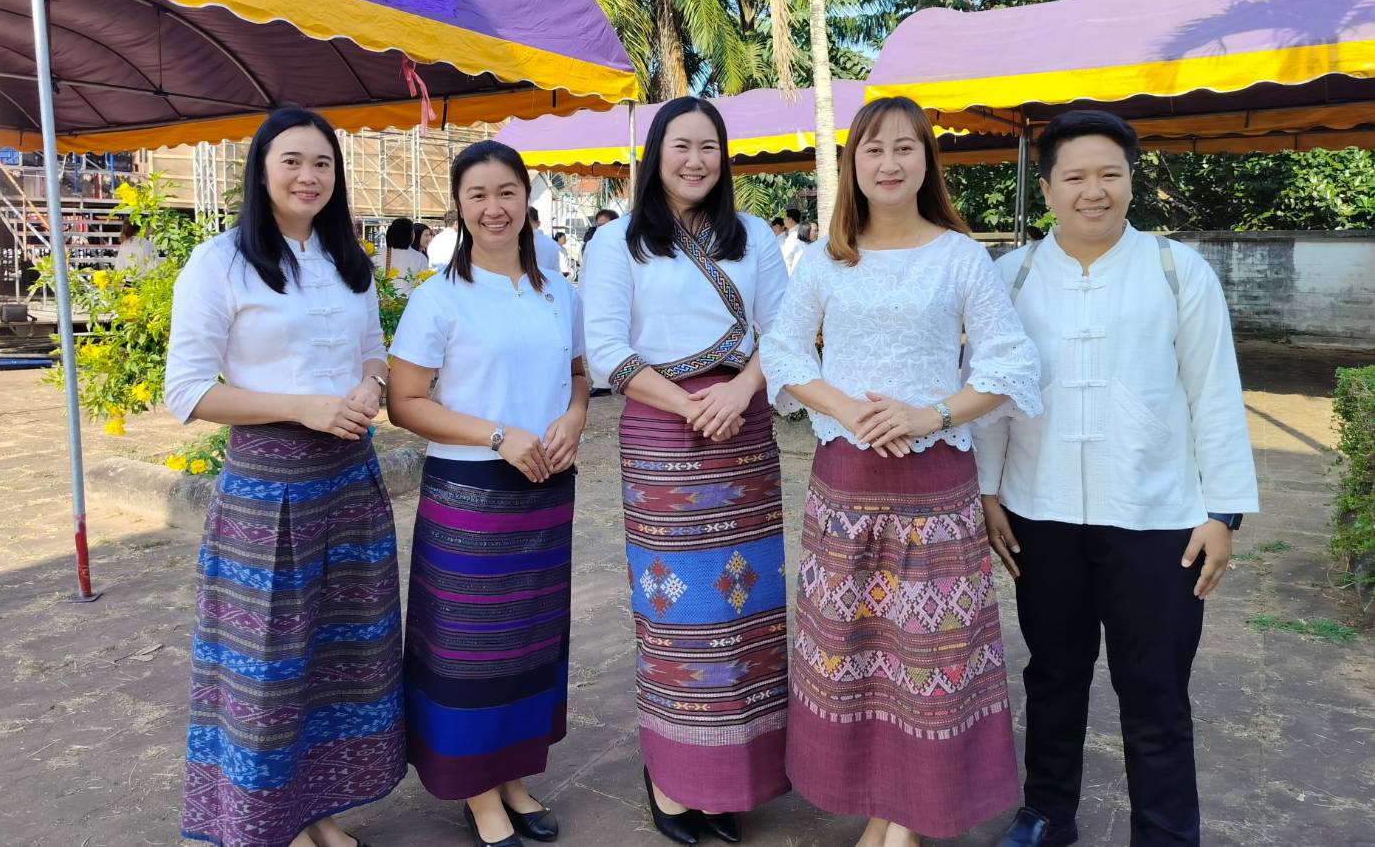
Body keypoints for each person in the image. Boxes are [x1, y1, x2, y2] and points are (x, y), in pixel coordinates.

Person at [975, 110, 1258, 847]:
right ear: (1047, 187)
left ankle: (1164, 833)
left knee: (1155, 690)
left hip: (1158, 520)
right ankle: (1045, 814)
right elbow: (992, 398)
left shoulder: (1176, 270)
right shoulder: (1014, 276)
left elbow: (1213, 392)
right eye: (1073, 176)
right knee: (1053, 676)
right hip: (1042, 514)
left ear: (1131, 180)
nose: (1091, 191)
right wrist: (987, 492)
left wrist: (1222, 513)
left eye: (1108, 174)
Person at [763, 97, 1041, 847]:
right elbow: (785, 352)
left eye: (903, 149)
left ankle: (907, 819)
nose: (888, 164)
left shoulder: (958, 256)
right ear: (852, 164)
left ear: (926, 160)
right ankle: (886, 811)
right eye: (872, 150)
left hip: (933, 491)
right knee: (858, 650)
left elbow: (1009, 364)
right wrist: (849, 409)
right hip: (845, 487)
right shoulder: (826, 259)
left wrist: (929, 416)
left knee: (928, 657)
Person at [164, 106, 404, 847]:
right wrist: (299, 407)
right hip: (269, 491)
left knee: (339, 658)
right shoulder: (221, 260)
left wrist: (372, 386)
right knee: (266, 666)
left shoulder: (348, 261)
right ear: (261, 169)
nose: (308, 176)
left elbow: (372, 352)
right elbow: (188, 390)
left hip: (350, 485)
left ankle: (315, 808)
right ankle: (265, 821)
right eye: (292, 161)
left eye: (322, 163)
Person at [583, 96, 791, 846]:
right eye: (681, 146)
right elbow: (605, 346)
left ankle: (732, 777)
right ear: (656, 155)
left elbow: (789, 329)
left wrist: (736, 391)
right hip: (660, 435)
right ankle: (673, 782)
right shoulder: (619, 243)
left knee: (743, 613)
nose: (695, 159)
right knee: (677, 616)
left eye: (708, 146)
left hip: (743, 427)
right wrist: (688, 404)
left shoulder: (755, 236)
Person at [387, 140, 588, 847]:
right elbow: (404, 402)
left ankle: (512, 774)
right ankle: (476, 791)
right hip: (470, 492)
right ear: (459, 207)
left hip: (545, 488)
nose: (493, 207)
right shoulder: (438, 298)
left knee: (527, 645)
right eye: (477, 194)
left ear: (526, 198)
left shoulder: (558, 291)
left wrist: (571, 419)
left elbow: (579, 376)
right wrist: (496, 434)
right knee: (465, 650)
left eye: (506, 192)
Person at [380, 216, 430, 294]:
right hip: (411, 303)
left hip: (382, 302)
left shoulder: (376, 254)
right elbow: (423, 286)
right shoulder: (420, 258)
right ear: (411, 235)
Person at [528, 207, 564, 272]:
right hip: (548, 281)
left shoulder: (517, 242)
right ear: (538, 223)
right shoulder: (553, 244)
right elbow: (556, 271)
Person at [779, 207, 805, 274]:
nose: (783, 220)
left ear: (790, 219)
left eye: (785, 218)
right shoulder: (798, 232)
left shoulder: (794, 235)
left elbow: (787, 258)